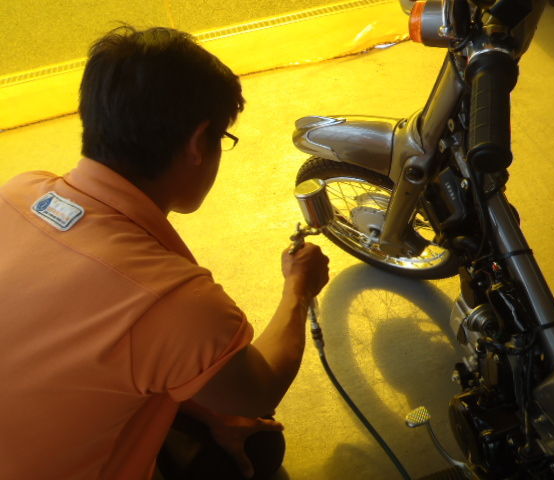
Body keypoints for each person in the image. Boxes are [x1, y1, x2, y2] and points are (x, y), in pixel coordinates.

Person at [0, 26, 329, 480]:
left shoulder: (18, 192)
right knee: (260, 445)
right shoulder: (173, 301)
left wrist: (205, 411)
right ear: (198, 144)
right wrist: (298, 288)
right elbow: (256, 391)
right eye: (222, 138)